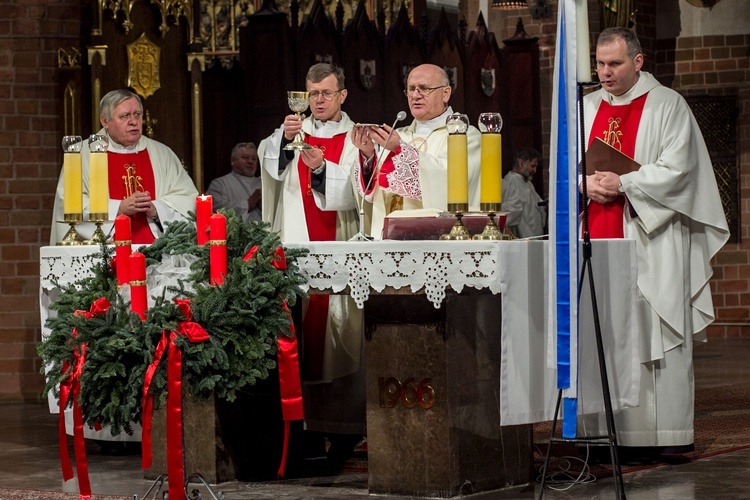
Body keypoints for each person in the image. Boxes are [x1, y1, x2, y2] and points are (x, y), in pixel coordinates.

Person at [579, 27, 729, 462]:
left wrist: (625, 182)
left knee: (653, 327)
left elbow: (680, 170)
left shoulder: (668, 106)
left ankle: (662, 432)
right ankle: (601, 432)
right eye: (600, 64)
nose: (604, 73)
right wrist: (584, 183)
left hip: (649, 237)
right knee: (601, 330)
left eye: (615, 64)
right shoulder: (586, 108)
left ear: (638, 61)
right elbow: (566, 167)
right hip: (597, 234)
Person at [257, 63, 364, 469]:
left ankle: (345, 431)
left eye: (326, 93)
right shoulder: (292, 132)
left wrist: (321, 168)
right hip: (296, 252)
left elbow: (361, 193)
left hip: (340, 246)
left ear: (342, 95)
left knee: (342, 336)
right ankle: (304, 433)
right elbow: (272, 170)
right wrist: (285, 143)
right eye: (312, 93)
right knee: (299, 341)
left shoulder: (355, 139)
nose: (318, 100)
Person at [50, 89, 198, 245]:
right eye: (125, 116)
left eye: (137, 115)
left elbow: (186, 197)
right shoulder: (81, 154)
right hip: (104, 252)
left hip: (158, 250)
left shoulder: (162, 153)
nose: (134, 121)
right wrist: (118, 208)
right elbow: (69, 203)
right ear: (105, 121)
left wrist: (157, 209)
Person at [351, 63, 481, 239]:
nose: (415, 95)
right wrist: (368, 156)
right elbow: (373, 191)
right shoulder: (400, 135)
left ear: (446, 93)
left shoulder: (465, 135)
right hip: (387, 240)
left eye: (424, 89)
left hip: (436, 241)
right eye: (411, 89)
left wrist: (400, 151)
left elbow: (450, 178)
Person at [206, 142, 262, 222]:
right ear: (233, 160)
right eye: (245, 157)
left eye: (254, 158)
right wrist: (247, 204)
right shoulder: (220, 184)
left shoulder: (263, 184)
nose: (250, 161)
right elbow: (217, 209)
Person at [501, 148, 546, 238]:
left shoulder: (528, 183)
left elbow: (537, 204)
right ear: (521, 163)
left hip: (535, 237)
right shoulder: (510, 182)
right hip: (522, 239)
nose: (534, 170)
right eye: (532, 166)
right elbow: (513, 212)